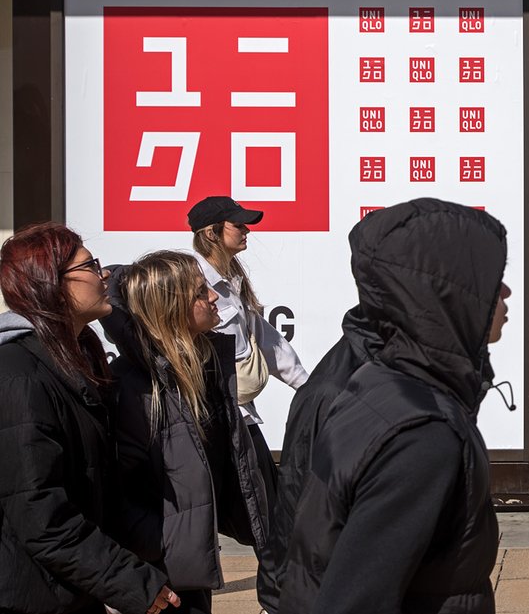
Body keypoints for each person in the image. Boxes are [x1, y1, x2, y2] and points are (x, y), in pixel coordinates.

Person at [258, 199, 508, 614]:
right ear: (448, 294)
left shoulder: (379, 381)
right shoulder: (422, 432)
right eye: (491, 281)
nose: (505, 293)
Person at [0, 223, 180, 614]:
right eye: (90, 265)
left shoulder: (76, 360)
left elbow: (102, 495)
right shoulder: (18, 375)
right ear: (51, 283)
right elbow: (42, 518)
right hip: (30, 597)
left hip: (71, 593)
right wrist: (133, 582)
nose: (104, 275)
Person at [100, 251, 271, 614]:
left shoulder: (201, 371)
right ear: (169, 308)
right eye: (199, 292)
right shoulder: (134, 390)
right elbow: (112, 497)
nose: (213, 296)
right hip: (158, 578)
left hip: (189, 567)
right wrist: (164, 549)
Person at [186, 196, 309, 502]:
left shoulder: (232, 281)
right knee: (262, 508)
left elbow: (266, 341)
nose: (247, 231)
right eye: (238, 225)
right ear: (211, 233)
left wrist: (307, 385)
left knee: (266, 506)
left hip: (239, 415)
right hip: (214, 419)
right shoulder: (191, 282)